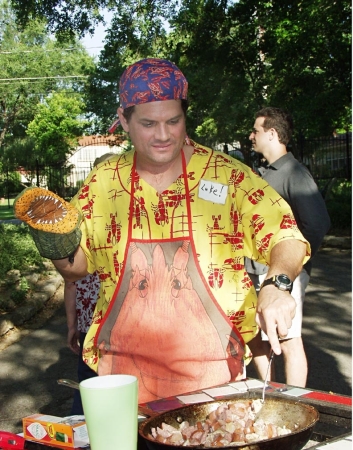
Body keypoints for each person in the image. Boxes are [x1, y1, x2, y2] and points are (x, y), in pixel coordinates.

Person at [15, 58, 310, 406]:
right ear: (124, 119)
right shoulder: (104, 182)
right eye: (148, 123)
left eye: (174, 121)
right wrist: (54, 240)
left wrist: (277, 285)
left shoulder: (226, 176)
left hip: (212, 379)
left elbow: (285, 234)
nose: (163, 135)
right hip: (120, 377)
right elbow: (77, 267)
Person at [246, 107, 331, 387]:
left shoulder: (293, 172)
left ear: (272, 133)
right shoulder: (262, 173)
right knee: (257, 336)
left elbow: (317, 224)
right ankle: (268, 395)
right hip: (254, 272)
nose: (250, 136)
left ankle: (294, 401)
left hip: (283, 275)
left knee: (288, 339)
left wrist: (295, 266)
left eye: (255, 130)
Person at [64, 272, 100, 415]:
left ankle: (79, 428)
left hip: (90, 323)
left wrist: (72, 326)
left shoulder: (80, 248)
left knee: (88, 379)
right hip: (127, 316)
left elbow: (70, 283)